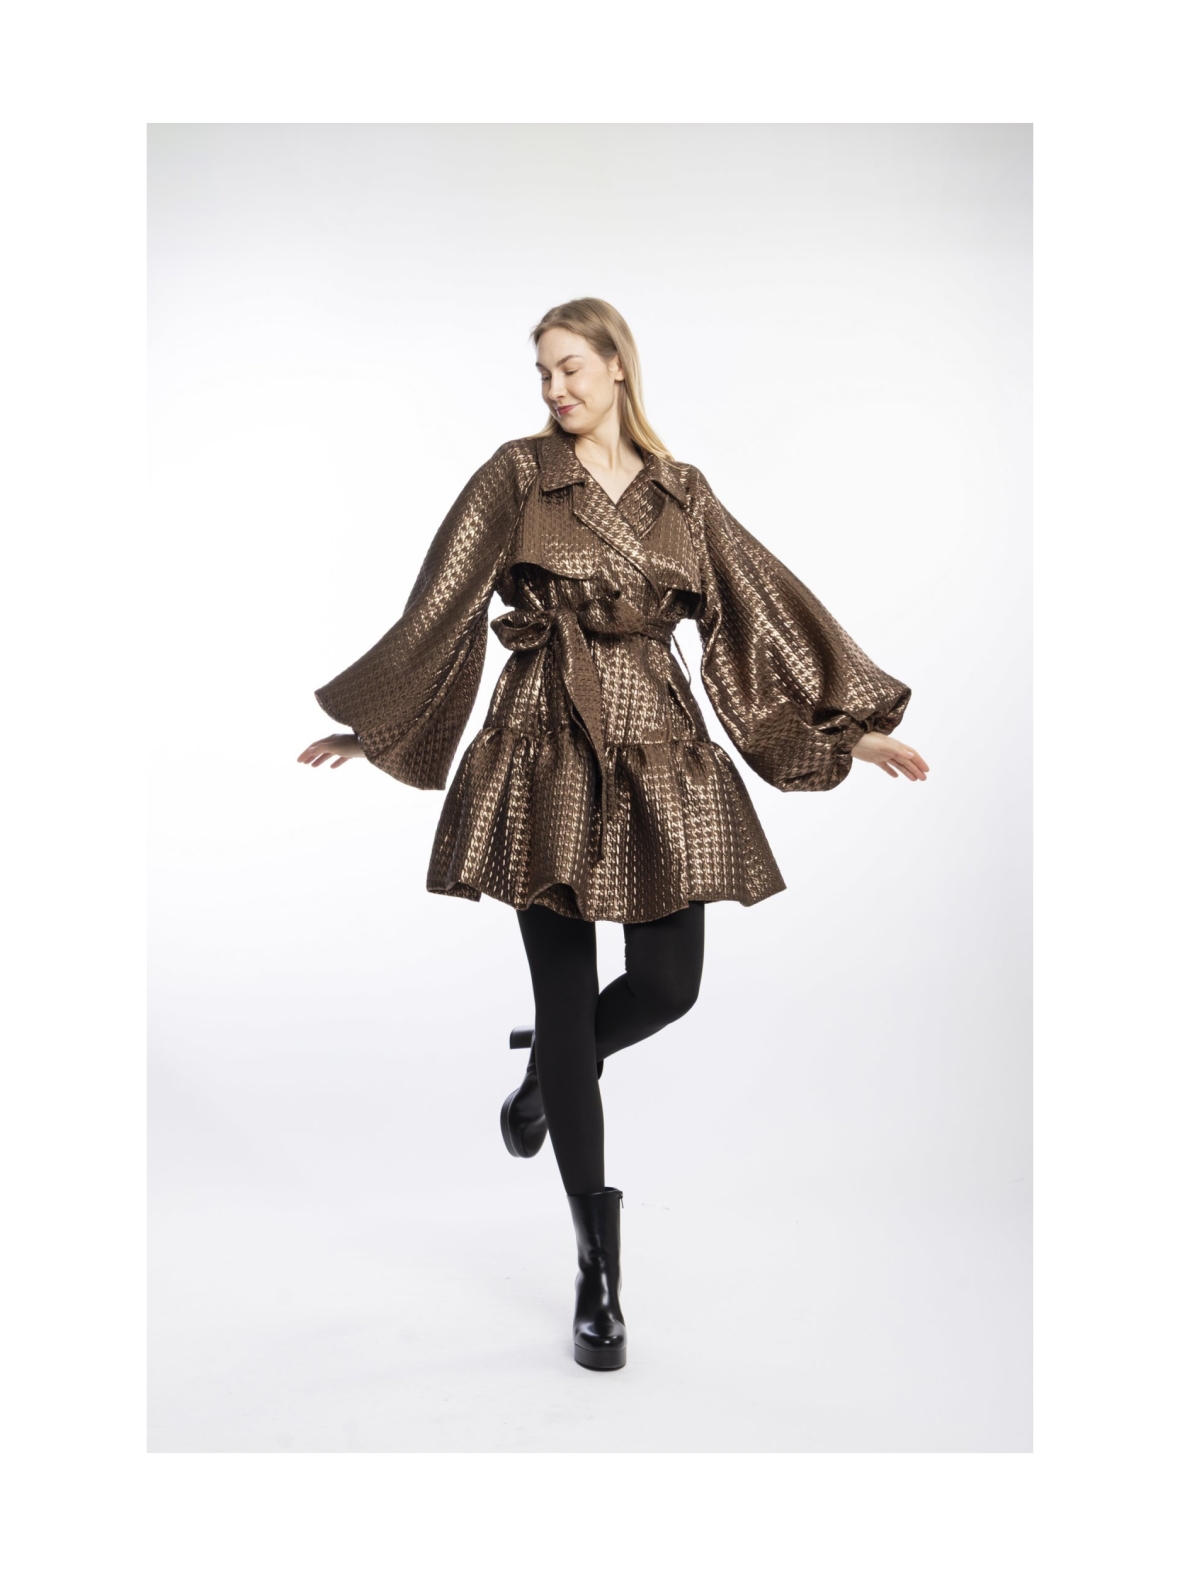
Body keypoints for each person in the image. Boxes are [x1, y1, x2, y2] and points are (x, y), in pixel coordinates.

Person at [298, 297, 928, 1372]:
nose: (554, 389)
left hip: (657, 747)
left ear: (618, 367)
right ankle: (597, 1275)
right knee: (563, 998)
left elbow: (760, 608)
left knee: (670, 985)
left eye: (571, 368)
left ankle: (551, 1073)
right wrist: (381, 725)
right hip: (541, 742)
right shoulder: (516, 475)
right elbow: (443, 603)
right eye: (542, 372)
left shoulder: (684, 493)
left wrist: (848, 729)